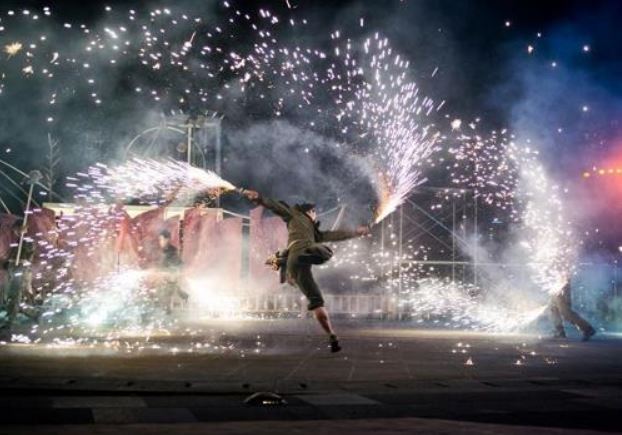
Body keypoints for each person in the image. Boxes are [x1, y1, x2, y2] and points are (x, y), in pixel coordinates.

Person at [242, 189, 370, 353]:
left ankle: (332, 337)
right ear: (309, 211)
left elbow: (334, 234)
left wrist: (355, 233)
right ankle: (299, 263)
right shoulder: (296, 215)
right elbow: (277, 207)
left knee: (317, 301)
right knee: (326, 252)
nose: (316, 215)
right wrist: (259, 198)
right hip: (303, 251)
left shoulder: (313, 232)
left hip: (296, 263)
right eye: (315, 212)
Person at [1, 220, 38, 336]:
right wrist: (7, 263)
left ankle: (10, 320)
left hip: (21, 270)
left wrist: (24, 237)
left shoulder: (28, 241)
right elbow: (11, 256)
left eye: (18, 229)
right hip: (14, 269)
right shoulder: (16, 242)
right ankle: (33, 313)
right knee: (14, 295)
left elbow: (29, 251)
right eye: (15, 230)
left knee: (15, 294)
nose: (16, 232)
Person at [157, 229, 188, 314]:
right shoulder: (166, 251)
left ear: (167, 239)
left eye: (162, 239)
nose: (160, 242)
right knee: (173, 291)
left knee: (168, 293)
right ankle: (184, 297)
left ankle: (168, 311)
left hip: (172, 276)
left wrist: (168, 271)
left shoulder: (171, 251)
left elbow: (176, 264)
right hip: (169, 277)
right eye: (160, 239)